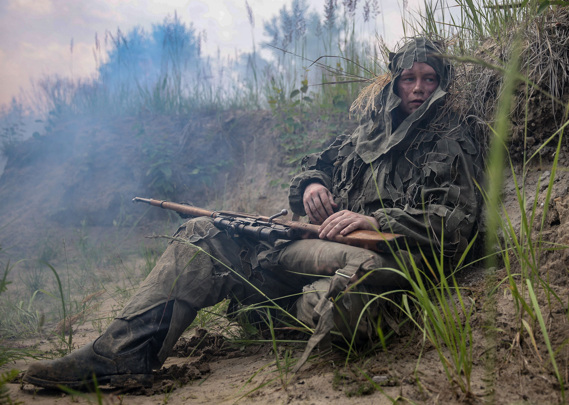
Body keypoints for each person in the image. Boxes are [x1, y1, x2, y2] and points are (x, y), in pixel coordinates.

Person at [23, 37, 482, 389]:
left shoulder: (451, 135)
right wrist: (312, 186)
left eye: (428, 79)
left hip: (379, 258)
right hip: (316, 245)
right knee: (205, 232)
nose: (418, 89)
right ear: (394, 82)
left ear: (441, 83)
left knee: (345, 297)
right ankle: (120, 356)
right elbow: (313, 166)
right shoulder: (368, 130)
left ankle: (278, 316)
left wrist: (377, 222)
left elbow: (456, 219)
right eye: (408, 78)